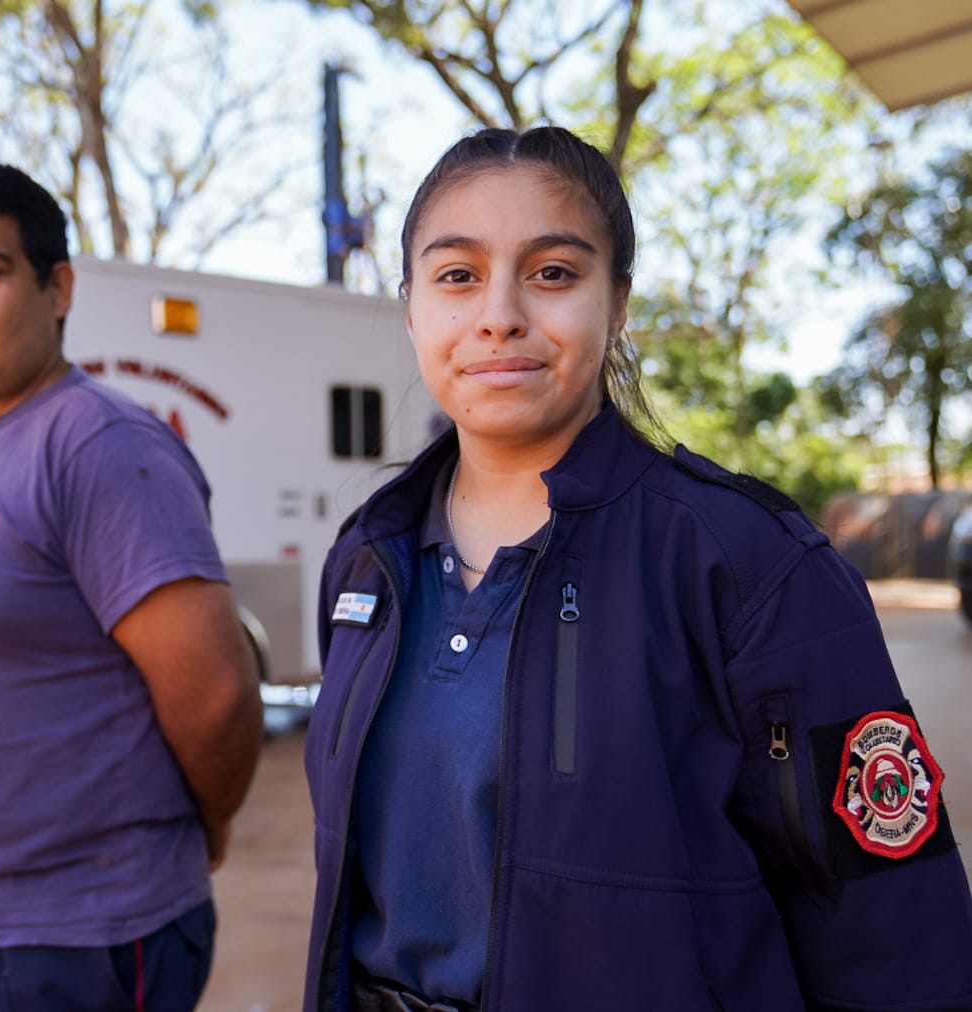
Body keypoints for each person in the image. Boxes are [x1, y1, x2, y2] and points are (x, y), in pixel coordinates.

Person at [303, 126, 972, 1012]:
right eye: (457, 275)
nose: (498, 314)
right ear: (413, 307)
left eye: (552, 273)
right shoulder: (367, 560)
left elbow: (894, 930)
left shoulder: (751, 562)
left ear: (617, 304)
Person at [0, 163, 265, 1012]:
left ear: (57, 288)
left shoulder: (97, 445)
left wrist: (204, 822)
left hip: (80, 934)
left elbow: (216, 694)